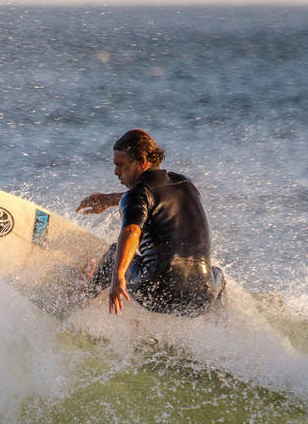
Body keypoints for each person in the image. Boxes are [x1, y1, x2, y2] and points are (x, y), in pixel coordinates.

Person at [76, 129, 224, 317]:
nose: (116, 172)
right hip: (202, 297)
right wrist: (108, 199)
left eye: (121, 165)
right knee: (217, 274)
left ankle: (76, 299)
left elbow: (131, 231)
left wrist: (118, 275)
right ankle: (220, 326)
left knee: (115, 254)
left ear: (143, 161)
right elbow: (151, 198)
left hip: (158, 293)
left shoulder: (137, 195)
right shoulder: (184, 183)